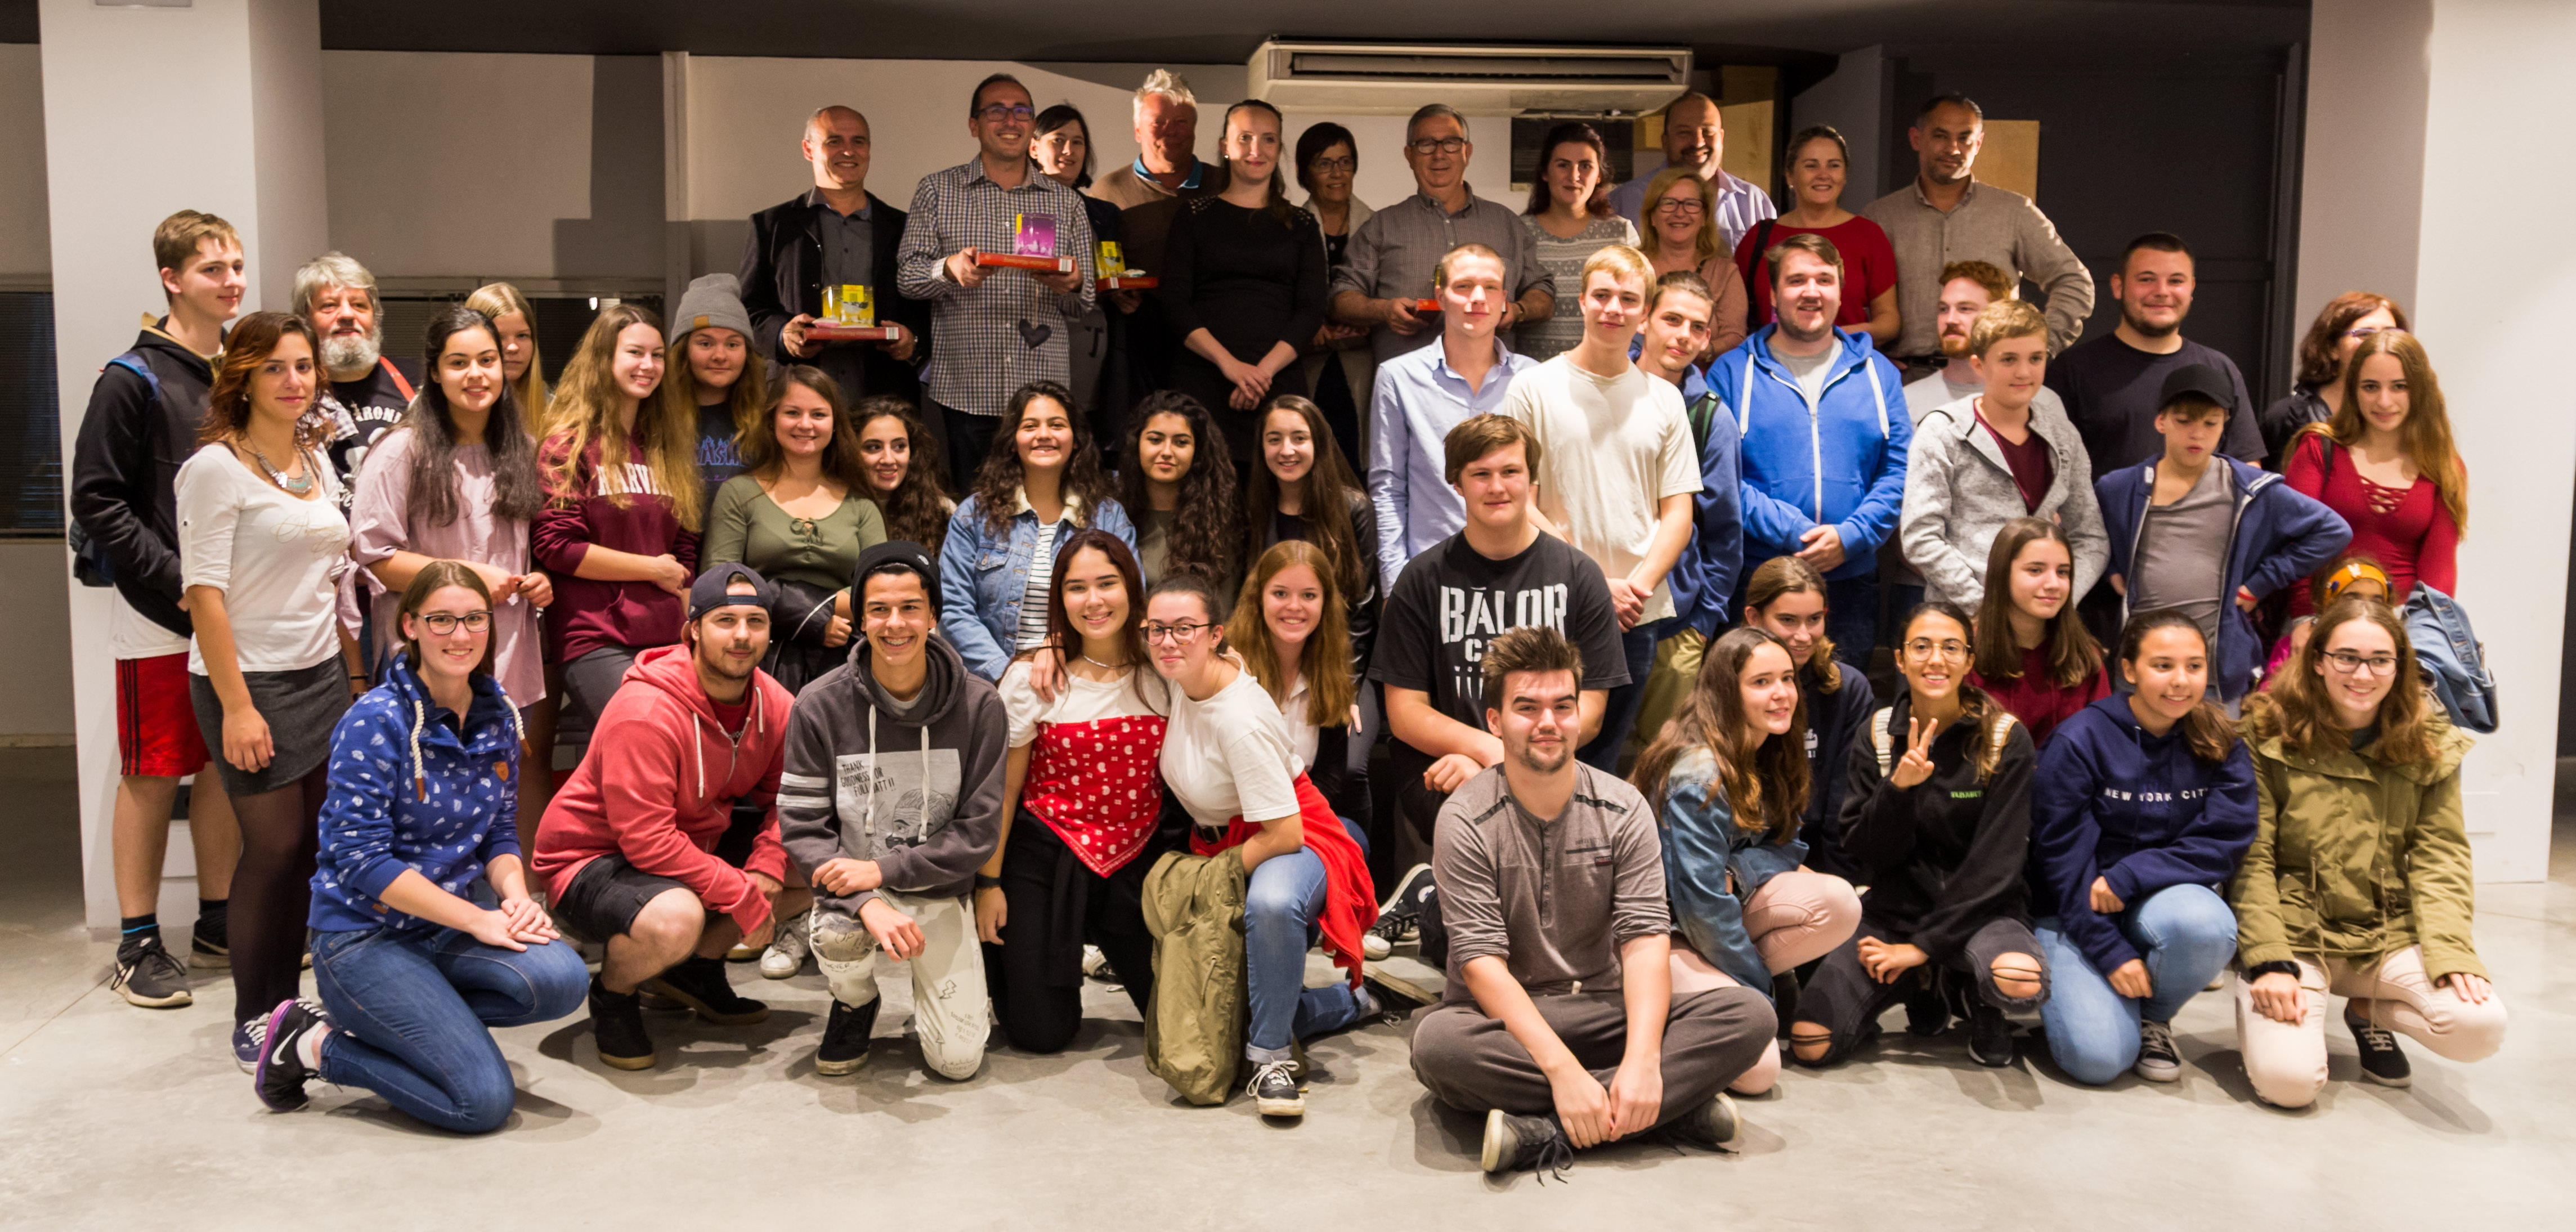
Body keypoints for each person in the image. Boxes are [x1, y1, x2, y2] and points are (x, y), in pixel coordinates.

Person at [1409, 625, 1773, 1177]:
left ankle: (1544, 1131)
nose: (1548, 722)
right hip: (1503, 1021)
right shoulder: (1464, 817)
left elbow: (1645, 939)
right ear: (1494, 721)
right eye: (1527, 707)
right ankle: (1666, 1112)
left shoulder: (1623, 807)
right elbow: (1481, 965)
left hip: (1604, 1010)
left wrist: (1643, 1060)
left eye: (1563, 705)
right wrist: (1562, 1072)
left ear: (1579, 714)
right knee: (1439, 1047)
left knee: (1748, 1014)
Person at [250, 563, 587, 1130]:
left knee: (562, 980)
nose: (461, 635)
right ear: (410, 626)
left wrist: (515, 896)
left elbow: (500, 832)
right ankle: (311, 1044)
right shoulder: (374, 720)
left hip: (444, 928)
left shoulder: (499, 711)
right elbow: (361, 860)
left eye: (474, 619)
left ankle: (423, 1024)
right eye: (441, 620)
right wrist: (476, 919)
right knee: (481, 1103)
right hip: (365, 935)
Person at [175, 311, 362, 1068]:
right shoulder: (214, 468)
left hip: (320, 674)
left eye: (303, 366)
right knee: (274, 846)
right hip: (247, 680)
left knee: (310, 847)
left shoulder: (315, 460)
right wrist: (239, 706)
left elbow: (331, 579)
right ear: (243, 379)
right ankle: (255, 1014)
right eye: (274, 368)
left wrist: (352, 677)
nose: (293, 381)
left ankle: (289, 1002)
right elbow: (203, 594)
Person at [69, 208, 245, 1007]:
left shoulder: (237, 373)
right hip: (159, 615)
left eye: (237, 266)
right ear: (171, 279)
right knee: (152, 770)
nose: (231, 281)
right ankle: (137, 942)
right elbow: (98, 500)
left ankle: (218, 920)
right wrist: (178, 583)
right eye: (213, 268)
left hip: (232, 612)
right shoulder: (130, 377)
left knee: (221, 765)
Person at [2231, 598, 2503, 1108]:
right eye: (2346, 657)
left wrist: (2452, 953)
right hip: (2294, 933)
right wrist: (2267, 958)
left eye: (2380, 659)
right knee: (2289, 1082)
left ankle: (2367, 1012)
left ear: (2399, 665)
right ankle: (2267, 1004)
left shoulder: (2428, 739)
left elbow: (2440, 856)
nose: (2362, 674)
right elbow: (2251, 855)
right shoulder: (2266, 730)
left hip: (2384, 931)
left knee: (2478, 1026)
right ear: (2318, 660)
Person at [534, 567, 791, 1070]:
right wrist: (742, 893)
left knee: (818, 864)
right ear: (693, 629)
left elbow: (793, 797)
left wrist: (768, 865)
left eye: (755, 621)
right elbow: (647, 841)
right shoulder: (645, 709)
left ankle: (694, 971)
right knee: (675, 918)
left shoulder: (774, 702)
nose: (742, 635)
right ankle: (615, 992)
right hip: (591, 859)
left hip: (692, 845)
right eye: (725, 620)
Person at [1143, 572, 1378, 1120]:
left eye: (1184, 628)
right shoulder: (1181, 676)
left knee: (1271, 904)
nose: (1168, 640)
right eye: (1156, 628)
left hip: (1291, 835)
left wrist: (1209, 878)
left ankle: (1271, 1061)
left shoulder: (1239, 719)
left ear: (1215, 633)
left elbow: (1285, 833)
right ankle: (1350, 1001)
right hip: (1229, 841)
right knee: (1228, 1016)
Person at [776, 541, 1006, 1078]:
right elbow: (803, 828)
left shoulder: (981, 705)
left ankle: (941, 1004)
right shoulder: (818, 705)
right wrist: (865, 898)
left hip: (938, 889)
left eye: (910, 608)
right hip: (855, 895)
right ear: (860, 619)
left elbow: (978, 832)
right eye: (878, 609)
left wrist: (882, 870)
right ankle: (855, 1000)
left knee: (958, 1063)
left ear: (933, 616)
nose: (895, 623)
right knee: (839, 937)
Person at [1789, 601, 2046, 1069]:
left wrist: (1923, 946)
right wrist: (1898, 789)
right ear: (1900, 659)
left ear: (1968, 661)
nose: (1936, 659)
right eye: (1921, 646)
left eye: (1951, 647)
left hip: (1981, 913)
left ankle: (1968, 988)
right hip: (1894, 913)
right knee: (1811, 1042)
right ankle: (1920, 983)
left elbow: (1997, 865)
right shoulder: (1877, 734)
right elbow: (1867, 850)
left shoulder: (2003, 738)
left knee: (2018, 977)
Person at [1370, 415, 1627, 863]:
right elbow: (1405, 711)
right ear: (1456, 484)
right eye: (1480, 474)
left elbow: (1590, 711)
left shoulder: (1579, 575)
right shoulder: (1422, 578)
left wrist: (1507, 762)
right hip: (1446, 773)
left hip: (1548, 768)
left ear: (1531, 479)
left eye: (1510, 471)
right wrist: (1485, 751)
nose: (1497, 487)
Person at [347, 306, 553, 852]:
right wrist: (468, 579)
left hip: (507, 658)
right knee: (429, 812)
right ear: (435, 372)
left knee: (499, 808)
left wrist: (538, 581)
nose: (476, 374)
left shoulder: (521, 448)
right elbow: (374, 555)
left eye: (487, 360)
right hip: (430, 661)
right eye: (459, 362)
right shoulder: (401, 449)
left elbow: (525, 549)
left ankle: (509, 896)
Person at [1633, 627, 1866, 1097]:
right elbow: (1701, 909)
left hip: (1713, 917)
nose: (1781, 693)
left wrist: (1736, 872)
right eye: (1761, 682)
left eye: (1786, 678)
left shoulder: (1772, 748)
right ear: (1726, 691)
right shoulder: (1698, 774)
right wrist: (1762, 993)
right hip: (1661, 935)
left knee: (1839, 901)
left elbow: (1789, 849)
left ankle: (1710, 996)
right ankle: (1650, 1024)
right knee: (1759, 1069)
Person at [2028, 611, 2254, 1085]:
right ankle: (2099, 996)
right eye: (2162, 665)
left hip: (2159, 901)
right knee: (2098, 1060)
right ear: (2129, 670)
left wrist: (2131, 875)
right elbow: (2060, 864)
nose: (2180, 680)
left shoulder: (2219, 739)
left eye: (2194, 666)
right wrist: (2109, 950)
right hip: (2074, 909)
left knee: (2206, 924)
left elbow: (2223, 840)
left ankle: (2154, 1016)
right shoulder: (2079, 739)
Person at [1500, 244, 1699, 771]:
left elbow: (1678, 512)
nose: (1613, 308)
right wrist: (1592, 583)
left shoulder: (1665, 399)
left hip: (1635, 611)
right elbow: (1518, 500)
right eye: (1602, 295)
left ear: (1644, 313)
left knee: (1603, 761)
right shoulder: (1532, 388)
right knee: (1540, 754)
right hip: (1551, 602)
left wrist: (1635, 589)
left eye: (1628, 299)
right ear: (1582, 301)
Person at [975, 531, 1170, 1052]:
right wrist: (988, 884)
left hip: (1137, 861)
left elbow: (1227, 662)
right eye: (1076, 587)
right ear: (1059, 597)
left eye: (1107, 583)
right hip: (1046, 854)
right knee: (1039, 1033)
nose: (1093, 600)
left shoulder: (1167, 671)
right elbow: (1005, 790)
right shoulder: (1032, 678)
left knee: (1179, 1026)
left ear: (1132, 587)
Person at [2095, 365, 2351, 706]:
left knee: (2217, 740)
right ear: (2161, 421)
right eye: (2184, 421)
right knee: (2132, 740)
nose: (2197, 434)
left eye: (2210, 423)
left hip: (2216, 672)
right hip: (2139, 668)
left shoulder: (2248, 487)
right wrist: (2111, 567)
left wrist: (2260, 583)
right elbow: (2090, 536)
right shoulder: (2119, 488)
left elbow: (2333, 530)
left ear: (2225, 425)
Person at [1709, 232, 1911, 655]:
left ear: (1840, 291)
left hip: (1851, 578)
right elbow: (1718, 476)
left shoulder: (1880, 373)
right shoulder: (1730, 373)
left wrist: (1851, 536)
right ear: (1772, 294)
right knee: (1754, 692)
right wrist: (1792, 532)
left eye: (1824, 280)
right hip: (1758, 577)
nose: (1811, 292)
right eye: (1796, 280)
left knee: (1845, 691)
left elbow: (1899, 470)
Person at [897, 73, 1097, 492]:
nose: (1011, 120)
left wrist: (1074, 283)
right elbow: (907, 278)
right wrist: (948, 269)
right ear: (974, 125)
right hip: (967, 388)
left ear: (1032, 125)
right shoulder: (937, 191)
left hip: (1042, 395)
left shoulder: (1067, 203)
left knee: (1044, 506)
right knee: (975, 509)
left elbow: (1084, 302)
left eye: (1021, 111)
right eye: (997, 111)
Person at [534, 304, 701, 727]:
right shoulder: (568, 444)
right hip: (595, 636)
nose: (648, 365)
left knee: (682, 743)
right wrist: (651, 569)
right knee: (641, 733)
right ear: (604, 358)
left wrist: (691, 627)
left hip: (668, 634)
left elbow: (683, 549)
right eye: (635, 353)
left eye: (657, 355)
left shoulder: (667, 446)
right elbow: (558, 547)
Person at [1899, 298, 2107, 610]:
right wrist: (1983, 607)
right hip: (1967, 617)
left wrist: (2060, 601)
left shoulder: (2063, 436)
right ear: (1979, 365)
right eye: (2008, 359)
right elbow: (1921, 537)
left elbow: (2091, 537)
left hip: (2044, 618)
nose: (2024, 372)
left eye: (2036, 358)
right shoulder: (1944, 431)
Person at [1621, 270, 1747, 772]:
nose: (1683, 336)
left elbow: (1724, 530)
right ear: (1643, 321)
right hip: (1599, 609)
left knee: (1663, 767)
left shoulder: (1710, 417)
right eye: (1671, 319)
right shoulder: (1605, 392)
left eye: (1697, 327)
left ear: (1707, 337)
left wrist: (1702, 623)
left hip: (1676, 625)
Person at [1863, 94, 2092, 368]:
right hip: (1903, 380)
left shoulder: (2014, 212)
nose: (1953, 148)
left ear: (1979, 143)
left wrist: (2039, 347)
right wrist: (1868, 356)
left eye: (1965, 138)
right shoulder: (1880, 217)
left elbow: (2074, 281)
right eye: (1941, 136)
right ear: (1916, 139)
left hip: (1992, 378)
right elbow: (1851, 300)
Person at [704, 365, 889, 695]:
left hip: (845, 656)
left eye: (819, 414)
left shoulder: (861, 504)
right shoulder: (739, 493)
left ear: (835, 423)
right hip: (756, 653)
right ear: (772, 419)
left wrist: (821, 611)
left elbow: (880, 590)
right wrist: (812, 617)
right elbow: (721, 583)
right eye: (792, 413)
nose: (806, 424)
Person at [1159, 100, 1329, 458]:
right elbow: (1175, 303)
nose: (1256, 150)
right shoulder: (1194, 215)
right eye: (1245, 138)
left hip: (1278, 383)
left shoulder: (1302, 224)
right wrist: (1230, 366)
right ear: (1225, 146)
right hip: (1203, 378)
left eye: (1268, 139)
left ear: (1279, 149)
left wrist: (1260, 375)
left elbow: (1311, 311)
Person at [1365, 243, 1536, 592]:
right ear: (1440, 297)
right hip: (1430, 575)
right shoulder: (1399, 378)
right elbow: (1388, 489)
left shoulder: (1533, 378)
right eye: (1464, 286)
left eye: (1490, 287)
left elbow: (1542, 484)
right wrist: (1394, 584)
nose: (1478, 298)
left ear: (1504, 300)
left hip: (1519, 574)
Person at [939, 382, 1137, 681]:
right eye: (1030, 426)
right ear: (1013, 441)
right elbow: (953, 608)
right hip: (992, 684)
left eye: (1057, 425)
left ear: (1076, 440)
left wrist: (1063, 649)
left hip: (1084, 679)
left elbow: (1129, 600)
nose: (1044, 434)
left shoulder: (1109, 517)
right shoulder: (974, 515)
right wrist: (1009, 674)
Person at [1330, 104, 1553, 367]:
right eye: (1426, 144)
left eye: (1450, 143)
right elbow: (1341, 298)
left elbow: (1542, 292)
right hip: (1408, 384)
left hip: (1493, 384)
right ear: (1409, 155)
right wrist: (1383, 310)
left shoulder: (1507, 224)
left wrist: (1518, 311)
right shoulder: (1381, 226)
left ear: (1467, 152)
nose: (1439, 154)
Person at [740, 106, 926, 413]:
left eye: (858, 141)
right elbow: (748, 309)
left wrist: (912, 338)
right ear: (808, 149)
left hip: (886, 402)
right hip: (798, 400)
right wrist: (782, 335)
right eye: (834, 141)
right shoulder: (771, 227)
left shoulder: (905, 227)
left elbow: (927, 306)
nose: (848, 151)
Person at [2279, 329, 2465, 619]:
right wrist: (2305, 618)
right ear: (2353, 390)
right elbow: (2295, 543)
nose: (2384, 401)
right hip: (2321, 617)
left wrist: (2425, 633)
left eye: (2400, 386)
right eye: (2370, 387)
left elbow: (2438, 575)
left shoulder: (2444, 466)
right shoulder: (2318, 447)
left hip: (2403, 625)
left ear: (2420, 389)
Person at [2046, 233, 2263, 476]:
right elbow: (2048, 467)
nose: (2162, 291)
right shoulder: (2073, 370)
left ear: (2191, 288)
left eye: (2176, 281)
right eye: (2147, 279)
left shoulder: (2219, 370)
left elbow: (2247, 468)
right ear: (2118, 286)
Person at [1735, 558, 1873, 881]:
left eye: (1814, 620)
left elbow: (1845, 802)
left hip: (1823, 851)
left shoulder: (1849, 688)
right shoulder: (1728, 682)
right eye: (1788, 620)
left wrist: (1843, 884)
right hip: (1746, 850)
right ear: (1754, 617)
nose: (1803, 635)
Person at [1230, 538, 1370, 828]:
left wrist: (1292, 828)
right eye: (1280, 593)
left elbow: (1329, 779)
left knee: (1354, 835)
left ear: (1325, 603)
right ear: (1258, 597)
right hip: (1239, 821)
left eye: (1309, 595)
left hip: (1306, 818)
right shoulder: (1230, 670)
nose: (1294, 606)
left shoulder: (1331, 671)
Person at [1735, 126, 1899, 347]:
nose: (1824, 174)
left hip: (1847, 361)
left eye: (1834, 165)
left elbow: (1889, 322)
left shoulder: (1869, 235)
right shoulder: (1759, 237)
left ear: (1845, 175)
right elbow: (1733, 318)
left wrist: (1827, 337)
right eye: (1811, 166)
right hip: (1770, 363)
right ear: (1790, 175)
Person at [1246, 395, 1377, 671]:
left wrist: (1346, 684)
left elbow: (1360, 610)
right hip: (1265, 659)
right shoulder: (1252, 509)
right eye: (1274, 439)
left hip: (1336, 660)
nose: (1286, 450)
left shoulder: (1355, 509)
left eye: (1299, 439)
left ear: (1318, 443)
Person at [1032, 102, 1132, 438]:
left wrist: (1120, 293)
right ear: (1034, 148)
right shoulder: (1020, 206)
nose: (1069, 151)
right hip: (1031, 339)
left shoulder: (1104, 214)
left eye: (1078, 142)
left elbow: (1110, 270)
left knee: (1084, 440)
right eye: (1058, 140)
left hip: (1090, 347)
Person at [1965, 519, 2110, 748]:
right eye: (2035, 570)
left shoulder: (2085, 656)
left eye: (2063, 572)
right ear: (2002, 574)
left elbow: (2101, 744)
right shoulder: (1964, 653)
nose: (2054, 584)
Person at [296, 251, 420, 503]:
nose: (347, 315)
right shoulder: (292, 393)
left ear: (375, 318)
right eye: (329, 305)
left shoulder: (418, 380)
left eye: (359, 305)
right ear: (305, 320)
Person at [1518, 120, 1642, 362]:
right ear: (1545, 173)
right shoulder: (1519, 232)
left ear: (1599, 176)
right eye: (1563, 165)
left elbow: (1635, 304)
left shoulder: (1620, 233)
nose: (1574, 176)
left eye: (1585, 166)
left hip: (1601, 372)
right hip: (1533, 372)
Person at [1293, 121, 1375, 462]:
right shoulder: (1289, 226)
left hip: (1363, 362)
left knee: (1358, 458)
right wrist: (1308, 325)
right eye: (1324, 164)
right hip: (1305, 361)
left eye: (1345, 162)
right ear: (1305, 173)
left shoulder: (1377, 225)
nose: (1337, 173)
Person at [1606, 91, 1775, 254]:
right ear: (1665, 141)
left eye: (1708, 132)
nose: (1698, 142)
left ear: (1721, 139)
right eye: (1684, 133)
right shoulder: (1623, 202)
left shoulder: (1755, 202)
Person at [2259, 292, 2408, 469]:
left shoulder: (2412, 413)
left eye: (2390, 334)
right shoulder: (2285, 418)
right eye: (2364, 334)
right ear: (2332, 348)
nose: (2379, 344)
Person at [1119, 389, 1242, 590]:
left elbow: (1223, 604)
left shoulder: (1218, 523)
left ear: (1197, 451)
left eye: (1181, 442)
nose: (1167, 452)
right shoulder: (1114, 515)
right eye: (1155, 440)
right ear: (1137, 444)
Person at [666, 274, 770, 507]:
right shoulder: (658, 418)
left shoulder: (768, 420)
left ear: (747, 353)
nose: (720, 356)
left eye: (733, 344)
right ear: (683, 351)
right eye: (706, 343)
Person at [1633, 167, 1751, 357]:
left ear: (1704, 217)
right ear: (1652, 216)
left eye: (1691, 204)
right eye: (1669, 203)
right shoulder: (1632, 268)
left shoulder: (1724, 272)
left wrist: (1695, 350)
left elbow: (1735, 336)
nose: (1680, 213)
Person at [1088, 69, 1229, 210]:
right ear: (1138, 131)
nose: (1171, 131)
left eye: (1181, 121)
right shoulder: (1108, 194)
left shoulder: (1227, 185)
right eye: (1158, 122)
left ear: (1194, 127)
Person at [1900, 260, 2013, 422]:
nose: (1950, 319)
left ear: (1999, 317)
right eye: (1943, 309)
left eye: (1965, 309)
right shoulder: (1907, 403)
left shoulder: (2035, 402)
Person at [852, 394, 953, 552]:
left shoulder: (940, 510)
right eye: (874, 447)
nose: (888, 459)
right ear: (851, 451)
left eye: (899, 447)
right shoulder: (834, 506)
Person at [465, 283, 550, 430]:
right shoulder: (432, 410)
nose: (513, 348)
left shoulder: (555, 411)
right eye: (499, 337)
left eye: (522, 336)